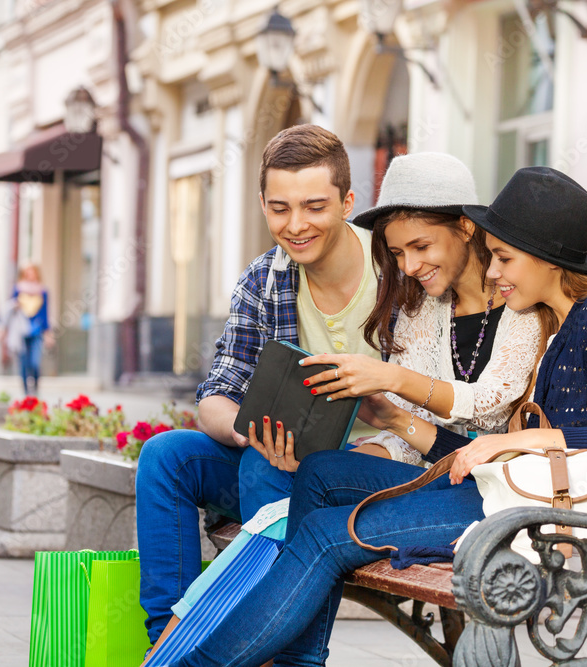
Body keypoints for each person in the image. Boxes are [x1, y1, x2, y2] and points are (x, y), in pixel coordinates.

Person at [165, 166, 587, 667]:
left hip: (551, 516)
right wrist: (394, 419)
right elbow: (479, 458)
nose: (492, 272)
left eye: (504, 258)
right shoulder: (557, 326)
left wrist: (524, 441)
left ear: (549, 259)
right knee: (322, 472)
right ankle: (296, 656)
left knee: (329, 534)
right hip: (506, 495)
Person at [135, 124, 390, 645]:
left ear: (347, 201)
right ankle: (168, 643)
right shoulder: (265, 277)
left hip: (376, 474)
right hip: (278, 467)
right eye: (279, 208)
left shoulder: (397, 271)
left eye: (315, 206)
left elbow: (434, 410)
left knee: (270, 470)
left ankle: (275, 651)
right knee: (167, 456)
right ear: (263, 204)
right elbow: (218, 391)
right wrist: (245, 430)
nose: (296, 225)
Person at [271, 152, 544, 469]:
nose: (409, 267)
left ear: (467, 227)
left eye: (422, 246)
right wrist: (327, 466)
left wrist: (390, 376)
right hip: (435, 474)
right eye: (397, 253)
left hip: (500, 486)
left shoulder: (522, 299)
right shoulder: (421, 309)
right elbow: (408, 433)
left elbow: (489, 406)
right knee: (316, 472)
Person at [5, 262, 51, 396]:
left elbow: (45, 314)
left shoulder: (43, 291)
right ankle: (26, 392)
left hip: (36, 331)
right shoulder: (18, 289)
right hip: (21, 331)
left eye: (32, 271)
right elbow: (9, 311)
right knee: (23, 363)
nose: (30, 274)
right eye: (27, 272)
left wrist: (48, 333)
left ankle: (35, 389)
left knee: (35, 362)